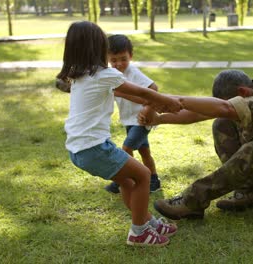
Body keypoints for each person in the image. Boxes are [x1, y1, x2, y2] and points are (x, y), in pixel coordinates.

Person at [57, 21, 179, 246]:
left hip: (78, 149)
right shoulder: (104, 74)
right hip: (93, 148)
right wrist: (168, 101)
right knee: (143, 175)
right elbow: (142, 91)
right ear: (99, 47)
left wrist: (154, 104)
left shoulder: (79, 75)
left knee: (128, 181)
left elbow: (134, 96)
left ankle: (147, 221)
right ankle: (139, 232)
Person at [139, 70, 253, 220]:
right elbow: (198, 114)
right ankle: (249, 193)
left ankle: (192, 200)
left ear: (242, 91)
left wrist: (170, 100)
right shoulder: (249, 92)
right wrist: (160, 118)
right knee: (222, 123)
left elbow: (224, 107)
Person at [104, 34, 161, 194]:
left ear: (131, 56)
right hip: (129, 120)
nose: (119, 64)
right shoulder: (111, 74)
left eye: (123, 59)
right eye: (114, 60)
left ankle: (125, 179)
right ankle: (154, 180)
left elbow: (153, 88)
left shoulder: (133, 72)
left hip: (142, 121)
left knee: (126, 148)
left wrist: (148, 109)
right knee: (144, 152)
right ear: (107, 58)